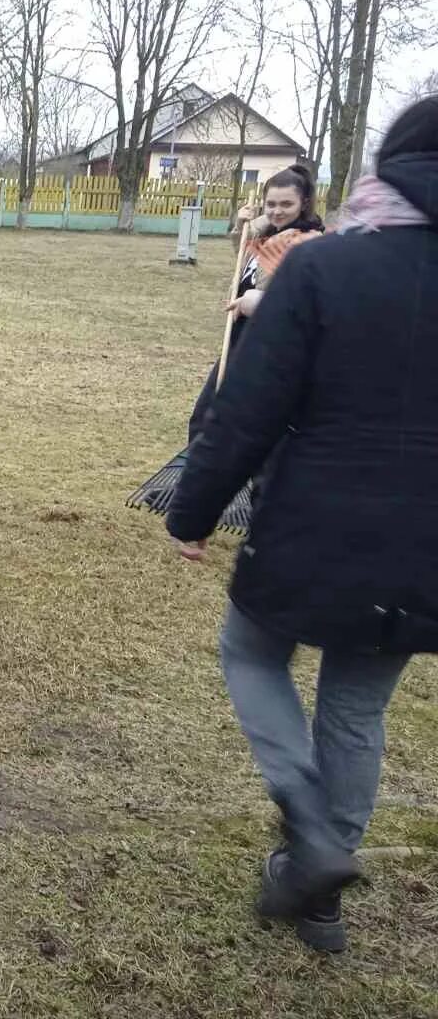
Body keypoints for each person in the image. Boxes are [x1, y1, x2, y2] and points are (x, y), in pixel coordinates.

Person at [167, 96, 438, 954]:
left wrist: (193, 510)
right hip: (423, 550)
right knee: (356, 711)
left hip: (314, 523)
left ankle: (313, 839)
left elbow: (246, 408)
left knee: (250, 652)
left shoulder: (325, 269)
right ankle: (320, 895)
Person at [186, 163, 325, 445]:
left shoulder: (308, 243)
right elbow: (244, 259)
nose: (276, 211)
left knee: (242, 421)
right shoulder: (267, 235)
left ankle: (245, 485)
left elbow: (307, 301)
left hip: (271, 342)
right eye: (270, 204)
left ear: (304, 203)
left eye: (286, 204)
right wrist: (243, 225)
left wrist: (260, 302)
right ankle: (192, 481)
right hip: (242, 335)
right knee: (206, 415)